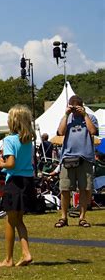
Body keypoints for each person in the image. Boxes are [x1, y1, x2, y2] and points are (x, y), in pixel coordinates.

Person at [0, 104, 35, 267]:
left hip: (14, 182)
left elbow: (11, 163)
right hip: (27, 181)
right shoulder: (28, 140)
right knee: (19, 220)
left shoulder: (9, 140)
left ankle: (9, 259)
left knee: (10, 220)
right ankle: (26, 253)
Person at [54, 95, 98, 228]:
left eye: (76, 107)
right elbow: (60, 132)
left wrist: (84, 115)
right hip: (68, 157)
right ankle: (63, 217)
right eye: (72, 107)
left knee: (84, 189)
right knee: (65, 189)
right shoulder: (67, 118)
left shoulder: (90, 117)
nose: (75, 110)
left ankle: (82, 217)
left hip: (85, 158)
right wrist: (66, 114)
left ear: (82, 105)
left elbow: (93, 131)